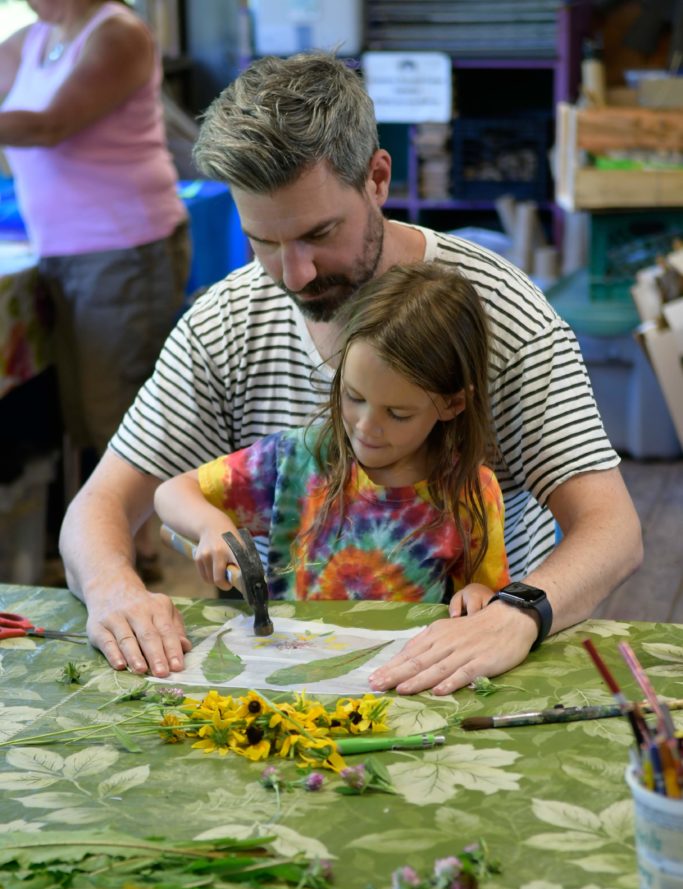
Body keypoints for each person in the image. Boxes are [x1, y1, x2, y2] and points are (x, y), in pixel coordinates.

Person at [58, 51, 642, 693]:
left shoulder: (498, 311)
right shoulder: (226, 321)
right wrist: (116, 593)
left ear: (378, 178)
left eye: (318, 233)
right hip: (281, 668)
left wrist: (519, 611)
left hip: (463, 661)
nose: (295, 274)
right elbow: (100, 506)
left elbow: (612, 531)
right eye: (264, 242)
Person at [154, 263, 510, 606]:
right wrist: (210, 525)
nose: (366, 426)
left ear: (452, 404)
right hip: (293, 661)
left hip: (402, 665)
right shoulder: (293, 462)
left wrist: (478, 596)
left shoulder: (471, 492)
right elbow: (171, 493)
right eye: (354, 396)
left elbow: (485, 593)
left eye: (398, 414)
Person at [0, 0, 190, 579]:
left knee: (120, 408)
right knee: (82, 408)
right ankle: (110, 549)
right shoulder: (31, 41)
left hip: (123, 246)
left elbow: (48, 124)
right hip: (62, 246)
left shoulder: (120, 34)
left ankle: (140, 556)